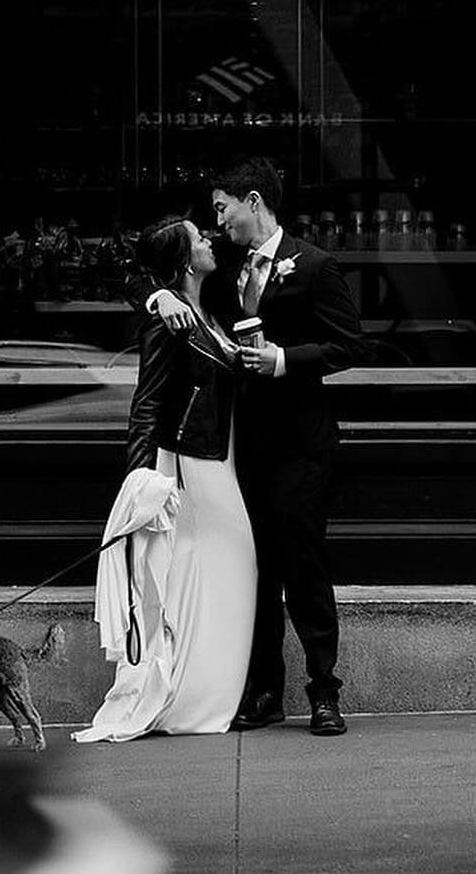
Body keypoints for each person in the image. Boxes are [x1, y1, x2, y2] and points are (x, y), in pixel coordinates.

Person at [146, 157, 365, 738]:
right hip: (241, 452)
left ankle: (324, 692)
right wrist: (155, 299)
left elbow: (348, 346)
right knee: (257, 573)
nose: (216, 222)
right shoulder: (225, 268)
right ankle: (265, 692)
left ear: (252, 201)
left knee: (303, 566)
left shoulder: (316, 266)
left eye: (222, 208)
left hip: (300, 447)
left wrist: (283, 361)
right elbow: (165, 269)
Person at [73, 216, 255, 742]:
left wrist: (153, 292)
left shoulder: (207, 306)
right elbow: (147, 400)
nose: (210, 240)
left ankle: (203, 694)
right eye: (200, 238)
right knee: (210, 572)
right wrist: (139, 476)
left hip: (223, 456)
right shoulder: (168, 318)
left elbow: (134, 276)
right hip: (191, 462)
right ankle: (190, 701)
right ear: (182, 260)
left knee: (219, 577)